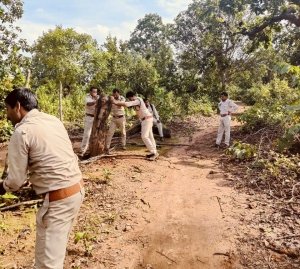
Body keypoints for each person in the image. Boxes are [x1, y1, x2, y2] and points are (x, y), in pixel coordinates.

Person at [0, 88, 84, 269]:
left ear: (18, 106)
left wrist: (2, 187)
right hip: (76, 190)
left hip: (58, 202)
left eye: (7, 109)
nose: (7, 115)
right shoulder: (53, 120)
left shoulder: (21, 132)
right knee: (55, 252)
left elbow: (15, 181)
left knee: (47, 264)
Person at [111, 91, 159, 160]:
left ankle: (154, 152)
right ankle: (154, 152)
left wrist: (115, 102)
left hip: (147, 119)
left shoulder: (138, 100)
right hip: (145, 120)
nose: (130, 100)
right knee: (150, 136)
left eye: (130, 98)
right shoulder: (137, 101)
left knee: (144, 136)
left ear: (132, 96)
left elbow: (127, 104)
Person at [105, 89, 126, 153]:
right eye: (114, 94)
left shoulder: (122, 98)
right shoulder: (111, 99)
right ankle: (107, 147)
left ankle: (123, 145)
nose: (115, 95)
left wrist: (112, 100)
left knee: (123, 132)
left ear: (119, 93)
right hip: (114, 118)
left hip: (121, 117)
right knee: (110, 133)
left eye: (116, 94)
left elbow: (120, 105)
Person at [80, 86, 99, 156]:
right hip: (89, 117)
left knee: (95, 134)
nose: (95, 93)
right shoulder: (87, 97)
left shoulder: (98, 97)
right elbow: (88, 103)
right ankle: (82, 150)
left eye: (96, 92)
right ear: (90, 92)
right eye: (94, 92)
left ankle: (92, 149)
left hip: (96, 118)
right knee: (87, 134)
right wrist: (96, 101)